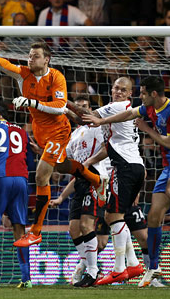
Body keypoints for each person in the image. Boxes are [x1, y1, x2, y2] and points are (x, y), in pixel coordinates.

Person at [82, 76, 170, 287]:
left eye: (143, 93)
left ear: (153, 94)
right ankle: (153, 267)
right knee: (153, 218)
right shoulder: (149, 107)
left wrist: (147, 129)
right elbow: (128, 113)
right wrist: (101, 121)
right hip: (168, 166)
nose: (140, 96)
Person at [0, 42, 105, 248]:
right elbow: (7, 67)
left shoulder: (56, 77)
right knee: (63, 166)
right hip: (40, 131)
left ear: (47, 59)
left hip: (58, 130)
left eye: (36, 56)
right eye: (30, 55)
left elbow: (59, 107)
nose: (31, 59)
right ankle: (96, 180)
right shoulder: (24, 75)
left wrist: (32, 103)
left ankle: (36, 231)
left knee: (41, 176)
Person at [67, 77, 144, 286]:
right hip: (130, 166)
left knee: (113, 217)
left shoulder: (117, 107)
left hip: (125, 167)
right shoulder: (117, 110)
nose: (118, 92)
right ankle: (133, 264)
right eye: (116, 88)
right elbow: (85, 121)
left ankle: (119, 270)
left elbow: (84, 116)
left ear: (130, 94)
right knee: (114, 216)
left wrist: (60, 101)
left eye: (123, 89)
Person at [49, 94, 110, 287]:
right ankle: (87, 266)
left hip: (96, 178)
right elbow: (71, 168)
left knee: (87, 225)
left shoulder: (98, 127)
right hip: (81, 182)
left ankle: (92, 271)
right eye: (77, 106)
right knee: (74, 228)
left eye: (84, 106)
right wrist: (61, 197)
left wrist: (90, 162)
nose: (80, 110)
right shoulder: (73, 137)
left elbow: (108, 148)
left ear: (90, 110)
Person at [0, 101, 32, 288]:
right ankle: (26, 279)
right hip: (21, 180)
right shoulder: (21, 131)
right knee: (20, 229)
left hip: (0, 178)